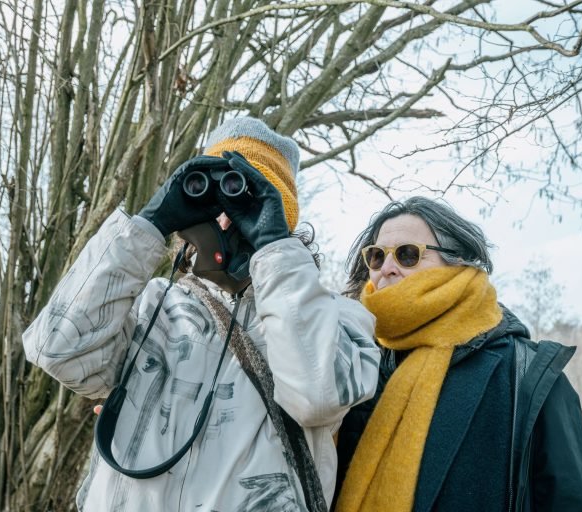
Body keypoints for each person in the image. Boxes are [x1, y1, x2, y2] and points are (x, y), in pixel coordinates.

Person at [22, 117, 380, 511]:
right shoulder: (152, 304)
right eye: (213, 202)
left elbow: (317, 396)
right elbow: (59, 348)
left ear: (280, 219)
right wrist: (150, 223)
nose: (226, 218)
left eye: (245, 204)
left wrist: (274, 251)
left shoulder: (335, 318)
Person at [333, 197, 582, 512]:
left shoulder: (529, 377)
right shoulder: (356, 364)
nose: (387, 268)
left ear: (458, 262)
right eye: (377, 257)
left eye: (407, 255)